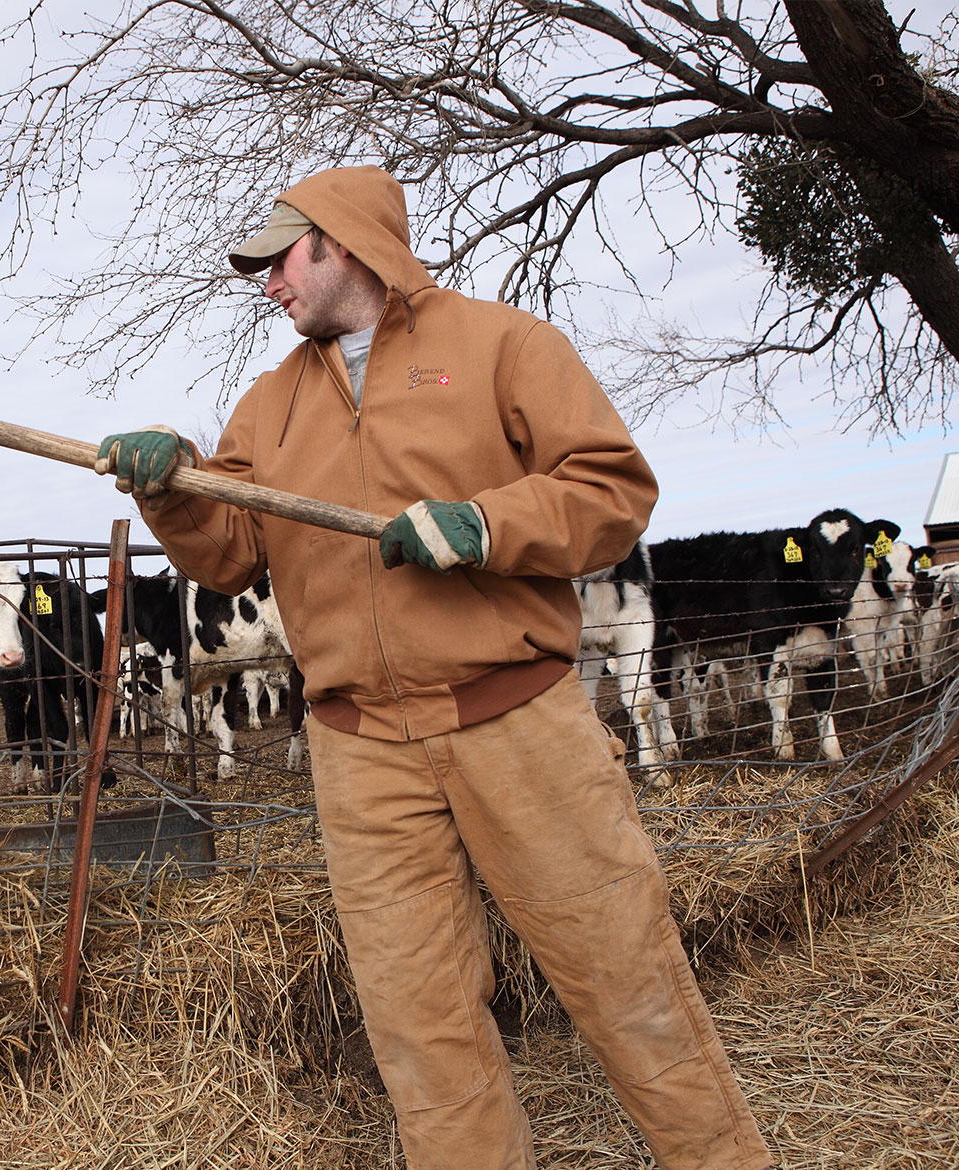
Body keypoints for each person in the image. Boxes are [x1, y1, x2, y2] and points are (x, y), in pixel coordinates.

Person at [93, 166, 772, 1170]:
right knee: (420, 1025)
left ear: (342, 242)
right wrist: (176, 492)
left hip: (516, 721)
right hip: (360, 749)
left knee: (625, 978)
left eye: (279, 258)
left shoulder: (503, 347)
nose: (265, 282)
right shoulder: (269, 407)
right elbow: (228, 550)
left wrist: (488, 523)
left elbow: (612, 491)